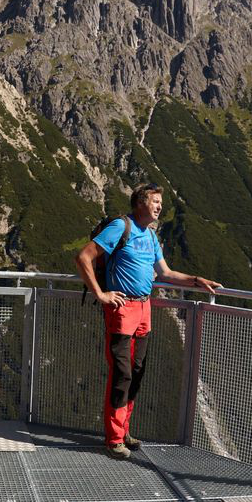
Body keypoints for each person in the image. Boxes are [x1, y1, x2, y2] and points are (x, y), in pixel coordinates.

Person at [74, 184, 220, 458]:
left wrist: (196, 281)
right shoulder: (121, 227)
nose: (159, 206)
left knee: (137, 371)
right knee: (122, 373)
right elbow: (83, 257)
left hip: (144, 308)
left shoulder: (150, 235)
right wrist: (101, 295)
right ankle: (113, 439)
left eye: (160, 202)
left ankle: (123, 430)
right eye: (155, 201)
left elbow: (165, 273)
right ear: (140, 203)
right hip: (122, 308)